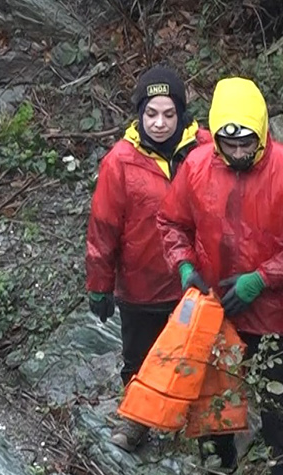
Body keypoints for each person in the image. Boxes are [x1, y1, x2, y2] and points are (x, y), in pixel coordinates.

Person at [157, 76, 283, 475]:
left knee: (280, 402)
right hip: (214, 306)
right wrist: (184, 267)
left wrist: (262, 278)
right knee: (212, 394)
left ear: (262, 132)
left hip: (275, 313)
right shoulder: (198, 167)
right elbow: (171, 222)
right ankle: (218, 468)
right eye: (229, 144)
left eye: (246, 144)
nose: (238, 153)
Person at [85, 65, 210, 452]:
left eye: (168, 114)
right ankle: (137, 419)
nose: (159, 123)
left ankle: (198, 427)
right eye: (151, 113)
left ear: (182, 114)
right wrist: (99, 286)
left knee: (196, 354)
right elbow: (103, 228)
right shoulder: (120, 162)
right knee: (139, 357)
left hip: (195, 279)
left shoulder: (206, 149)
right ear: (139, 114)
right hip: (140, 283)